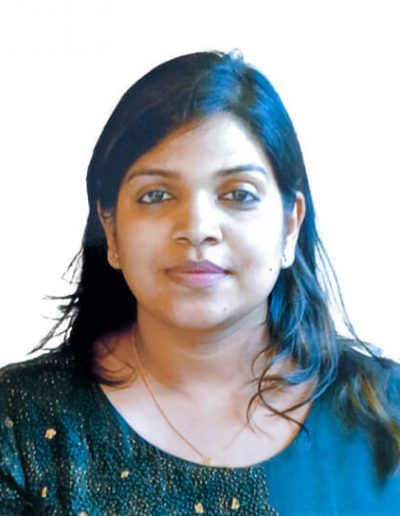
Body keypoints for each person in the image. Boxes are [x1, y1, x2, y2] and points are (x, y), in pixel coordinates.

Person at [0, 50, 399, 515]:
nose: (197, 227)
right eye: (156, 195)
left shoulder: (386, 415)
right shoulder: (19, 426)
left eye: (238, 195)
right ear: (110, 228)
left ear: (290, 225)